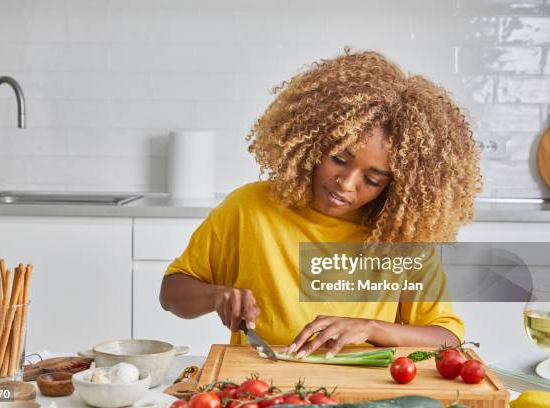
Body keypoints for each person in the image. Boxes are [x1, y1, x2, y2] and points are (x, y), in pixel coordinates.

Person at [159, 49, 482, 359]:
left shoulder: (403, 239)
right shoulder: (250, 208)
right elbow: (171, 295)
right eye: (339, 159)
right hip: (261, 385)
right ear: (315, 142)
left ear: (395, 186)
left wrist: (371, 328)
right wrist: (217, 297)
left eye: (372, 180)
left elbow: (447, 338)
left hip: (363, 389)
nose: (346, 183)